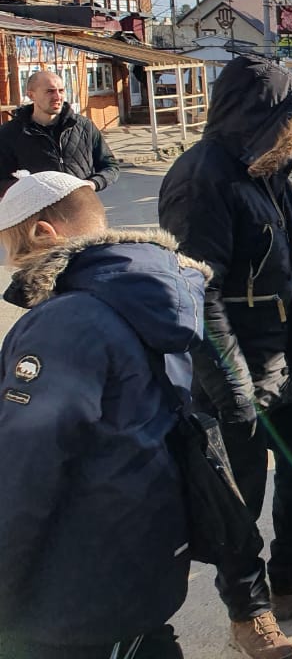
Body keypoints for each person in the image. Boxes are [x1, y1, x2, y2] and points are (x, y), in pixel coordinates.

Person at [158, 56, 292, 659]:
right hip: (232, 368)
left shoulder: (265, 169)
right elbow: (197, 294)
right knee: (237, 500)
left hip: (284, 354)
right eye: (287, 120)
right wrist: (231, 386)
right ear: (253, 114)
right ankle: (247, 611)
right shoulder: (202, 179)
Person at [0, 171, 207, 659]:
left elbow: (26, 471)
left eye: (10, 246)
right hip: (136, 553)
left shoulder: (66, 321)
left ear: (42, 233)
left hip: (76, 585)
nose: (9, 262)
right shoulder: (146, 292)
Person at [0, 70, 120, 195]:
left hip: (82, 208)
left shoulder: (84, 126)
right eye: (50, 91)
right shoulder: (9, 133)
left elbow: (110, 166)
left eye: (61, 90)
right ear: (31, 95)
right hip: (37, 212)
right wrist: (29, 187)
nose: (57, 97)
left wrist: (93, 183)